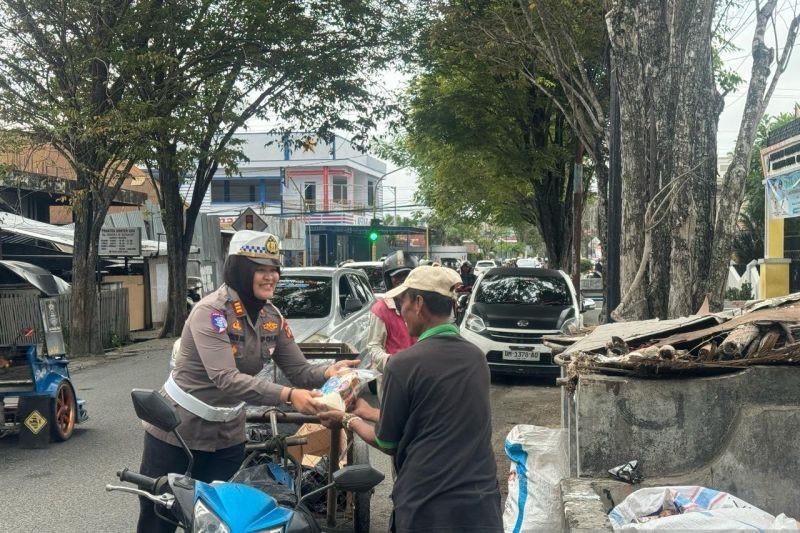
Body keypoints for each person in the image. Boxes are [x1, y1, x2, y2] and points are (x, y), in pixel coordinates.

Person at [136, 230, 358, 533]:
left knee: (221, 520)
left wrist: (329, 372)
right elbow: (225, 378)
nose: (271, 277)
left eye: (274, 269)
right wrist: (289, 395)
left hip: (228, 436)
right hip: (177, 432)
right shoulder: (211, 312)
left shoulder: (272, 316)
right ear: (241, 270)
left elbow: (301, 372)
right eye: (261, 269)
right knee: (159, 518)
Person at [317, 266, 503, 533]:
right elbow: (433, 420)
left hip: (427, 506)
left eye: (402, 301)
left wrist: (348, 418)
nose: (400, 311)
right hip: (480, 504)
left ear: (418, 304)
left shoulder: (402, 364)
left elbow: (387, 442)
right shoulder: (476, 359)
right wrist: (369, 412)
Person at [366, 251, 418, 396]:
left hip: (419, 373)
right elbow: (374, 346)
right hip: (392, 377)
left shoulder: (421, 305)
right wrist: (390, 360)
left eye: (405, 276)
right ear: (389, 280)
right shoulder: (381, 309)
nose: (401, 281)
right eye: (396, 277)